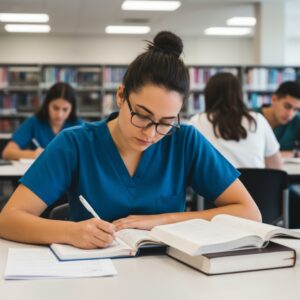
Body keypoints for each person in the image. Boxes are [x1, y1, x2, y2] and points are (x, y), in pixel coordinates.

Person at [0, 31, 261, 249]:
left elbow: (250, 212)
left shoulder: (185, 141)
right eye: (143, 116)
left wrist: (162, 220)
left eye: (166, 122)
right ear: (121, 96)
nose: (150, 133)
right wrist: (71, 232)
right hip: (92, 275)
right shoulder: (75, 143)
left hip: (171, 274)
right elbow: (8, 219)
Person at [190, 72, 282, 169]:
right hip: (253, 183)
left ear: (208, 95)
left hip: (215, 183)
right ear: (239, 94)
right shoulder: (257, 120)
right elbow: (276, 166)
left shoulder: (197, 121)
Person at [2, 82, 83, 160]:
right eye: (55, 108)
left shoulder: (80, 127)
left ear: (72, 109)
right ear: (47, 104)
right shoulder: (33, 122)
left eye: (65, 109)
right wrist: (33, 154)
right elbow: (7, 152)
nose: (59, 114)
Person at [256, 81, 300, 157]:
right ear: (274, 99)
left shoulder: (297, 121)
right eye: (287, 106)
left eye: (296, 109)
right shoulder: (250, 117)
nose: (290, 114)